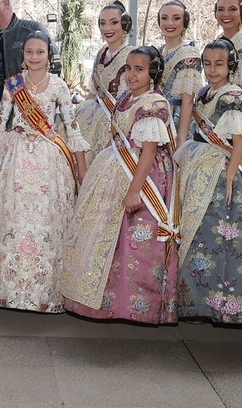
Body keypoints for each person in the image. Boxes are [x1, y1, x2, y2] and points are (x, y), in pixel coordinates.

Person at [61, 47, 178, 325]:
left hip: (142, 176)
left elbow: (149, 151)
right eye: (128, 68)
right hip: (114, 167)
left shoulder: (154, 105)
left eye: (139, 69)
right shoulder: (126, 98)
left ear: (153, 73)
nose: (131, 74)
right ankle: (100, 300)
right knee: (107, 236)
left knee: (133, 239)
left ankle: (135, 304)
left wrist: (135, 190)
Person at [0, 30, 88, 313]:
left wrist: (82, 171)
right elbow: (0, 125)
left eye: (40, 51)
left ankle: (45, 292)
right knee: (12, 217)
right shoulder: (13, 85)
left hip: (48, 158)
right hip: (15, 157)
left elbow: (72, 128)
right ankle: (7, 290)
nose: (34, 56)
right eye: (29, 52)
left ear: (49, 55)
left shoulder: (59, 86)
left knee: (46, 219)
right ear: (23, 55)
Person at [174, 38, 242, 327]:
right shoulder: (205, 93)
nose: (212, 70)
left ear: (231, 66)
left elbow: (239, 142)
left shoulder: (234, 96)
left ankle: (229, 305)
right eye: (207, 64)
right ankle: (199, 301)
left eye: (219, 64)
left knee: (227, 238)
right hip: (202, 165)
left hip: (227, 170)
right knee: (201, 236)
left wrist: (229, 178)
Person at [71, 1, 132, 154]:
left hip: (118, 122)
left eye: (114, 22)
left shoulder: (131, 56)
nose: (107, 28)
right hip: (93, 114)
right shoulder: (101, 53)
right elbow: (93, 92)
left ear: (125, 24)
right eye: (102, 23)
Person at [154, 0, 201, 128]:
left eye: (176, 18)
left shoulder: (189, 54)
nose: (169, 23)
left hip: (175, 122)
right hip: (154, 119)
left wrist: (181, 137)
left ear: (185, 22)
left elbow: (188, 102)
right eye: (164, 18)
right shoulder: (158, 52)